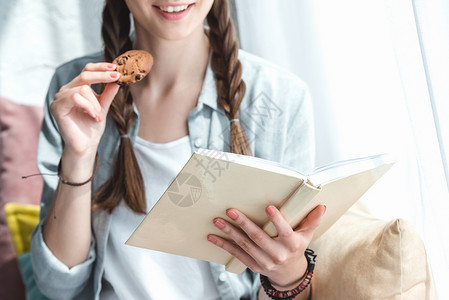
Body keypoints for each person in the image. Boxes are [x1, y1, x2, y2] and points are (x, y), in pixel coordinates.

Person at [31, 0, 326, 299]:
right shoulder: (77, 92)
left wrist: (287, 275)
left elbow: (286, 275)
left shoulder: (281, 97)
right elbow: (59, 286)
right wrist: (79, 157)